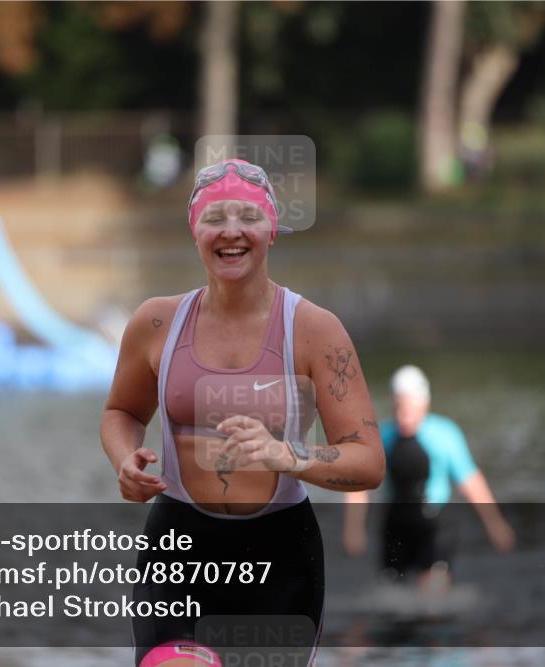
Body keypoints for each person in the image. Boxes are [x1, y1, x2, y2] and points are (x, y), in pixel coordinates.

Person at [101, 158, 385, 666]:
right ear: (195, 231)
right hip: (178, 546)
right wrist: (124, 460)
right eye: (215, 218)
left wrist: (287, 454)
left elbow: (368, 463)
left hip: (279, 554)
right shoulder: (157, 322)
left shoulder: (315, 331)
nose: (231, 232)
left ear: (271, 230)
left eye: (248, 217)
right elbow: (121, 410)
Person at [343, 365, 514, 590]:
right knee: (391, 595)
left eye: (410, 406)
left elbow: (470, 482)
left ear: (424, 403)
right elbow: (359, 485)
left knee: (432, 595)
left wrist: (495, 523)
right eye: (399, 406)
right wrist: (353, 527)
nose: (404, 414)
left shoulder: (444, 435)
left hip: (435, 524)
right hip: (396, 522)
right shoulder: (384, 437)